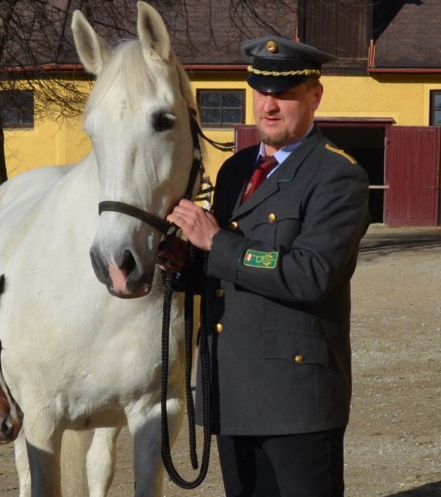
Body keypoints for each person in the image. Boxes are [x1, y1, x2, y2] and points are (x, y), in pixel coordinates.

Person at [161, 36, 370, 497]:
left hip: (296, 396)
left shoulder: (338, 175)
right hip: (232, 387)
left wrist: (215, 242)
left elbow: (309, 274)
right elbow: (229, 276)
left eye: (285, 94)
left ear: (315, 96)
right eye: (261, 92)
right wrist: (184, 265)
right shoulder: (235, 171)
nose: (269, 106)